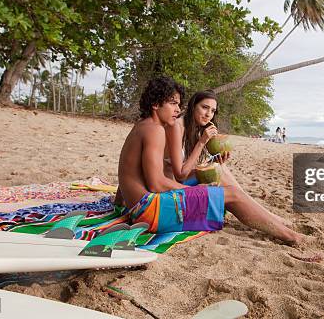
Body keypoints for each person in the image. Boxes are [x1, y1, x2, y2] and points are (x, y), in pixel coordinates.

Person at [115, 78, 303, 244]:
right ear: (156, 104)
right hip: (149, 212)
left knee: (222, 186)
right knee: (231, 194)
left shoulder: (144, 125)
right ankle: (292, 237)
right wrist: (199, 191)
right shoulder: (155, 130)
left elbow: (129, 172)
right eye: (173, 103)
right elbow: (156, 184)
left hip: (138, 208)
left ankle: (276, 223)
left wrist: (120, 204)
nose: (177, 109)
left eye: (178, 104)